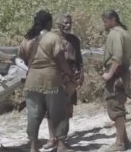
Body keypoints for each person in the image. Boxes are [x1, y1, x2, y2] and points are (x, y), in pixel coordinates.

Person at [18, 10, 76, 152]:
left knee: (33, 114)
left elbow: (21, 58)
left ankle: (33, 146)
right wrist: (70, 74)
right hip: (52, 80)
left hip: (32, 80)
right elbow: (61, 60)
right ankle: (61, 145)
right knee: (58, 112)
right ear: (49, 22)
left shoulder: (27, 39)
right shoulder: (53, 37)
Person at [44, 14, 84, 150]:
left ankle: (62, 139)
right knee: (50, 108)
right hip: (55, 75)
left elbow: (79, 59)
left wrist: (81, 74)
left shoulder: (74, 40)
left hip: (71, 75)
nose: (68, 25)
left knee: (67, 107)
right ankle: (52, 138)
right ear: (59, 24)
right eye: (65, 23)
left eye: (70, 23)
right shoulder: (52, 39)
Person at [101, 10, 131, 152]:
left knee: (116, 108)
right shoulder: (124, 32)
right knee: (118, 105)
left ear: (113, 19)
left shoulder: (115, 34)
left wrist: (109, 74)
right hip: (123, 74)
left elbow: (117, 57)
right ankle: (124, 140)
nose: (104, 23)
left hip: (116, 75)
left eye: (105, 21)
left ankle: (119, 143)